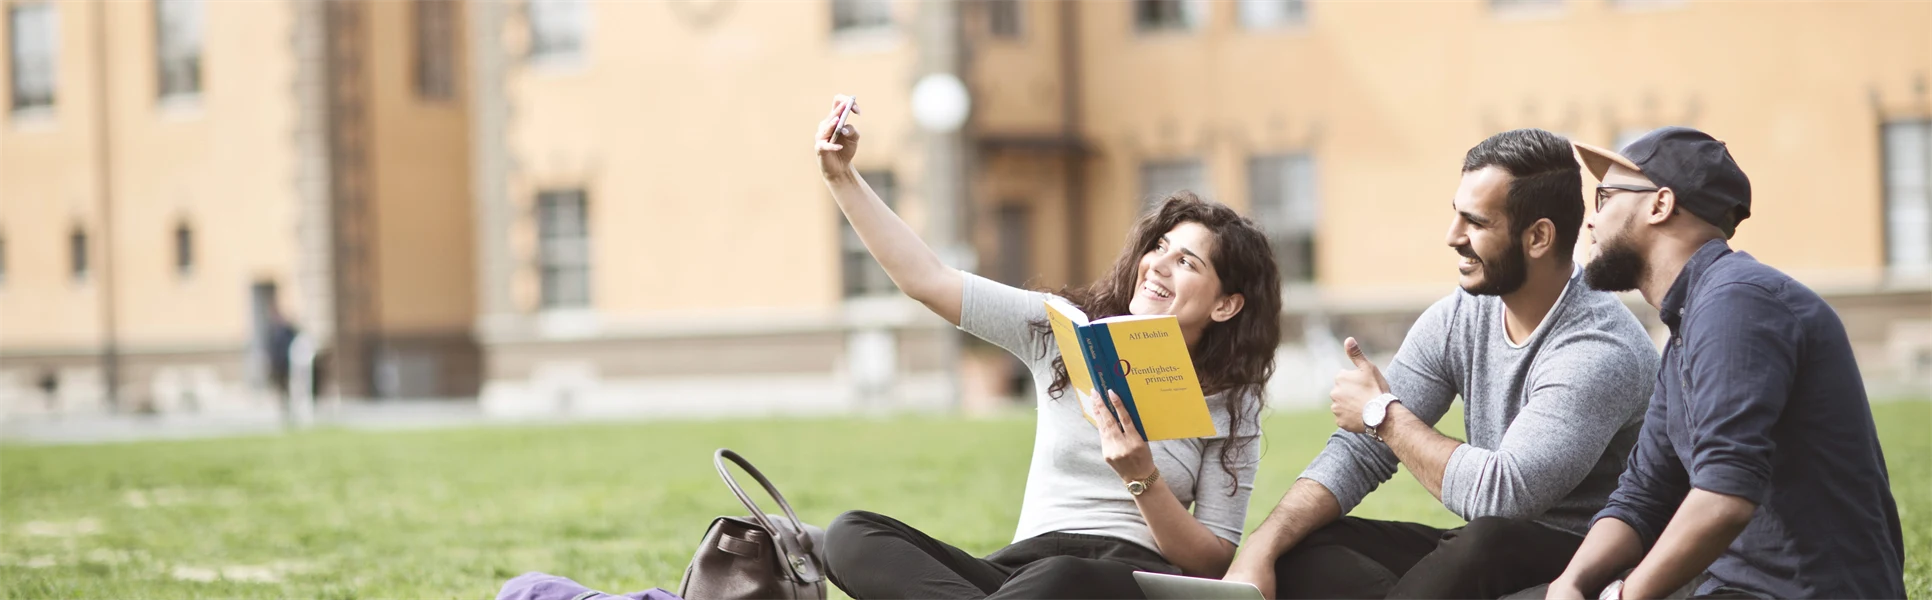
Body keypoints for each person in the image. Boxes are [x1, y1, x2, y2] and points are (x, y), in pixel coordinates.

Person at [810, 95, 1283, 600]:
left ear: (1226, 306)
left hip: (1122, 577)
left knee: (1063, 577)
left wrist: (1142, 476)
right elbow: (928, 279)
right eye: (1160, 247)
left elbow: (1211, 559)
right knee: (850, 535)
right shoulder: (1060, 330)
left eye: (1188, 263)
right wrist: (842, 177)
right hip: (1022, 572)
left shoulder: (1235, 401)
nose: (1159, 266)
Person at [1222, 129, 1659, 599]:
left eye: (1475, 222)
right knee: (1305, 545)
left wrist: (1383, 415)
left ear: (1538, 237)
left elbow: (1505, 495)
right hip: (1484, 556)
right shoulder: (1462, 315)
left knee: (1487, 539)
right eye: (1456, 215)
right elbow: (1359, 452)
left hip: (1587, 565)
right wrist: (1260, 549)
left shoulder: (1599, 346)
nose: (1452, 237)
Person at [1542, 127, 1904, 599]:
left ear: (1660, 205)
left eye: (1605, 197)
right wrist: (1570, 584)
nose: (1591, 221)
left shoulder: (1739, 303)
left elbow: (1724, 497)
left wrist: (1624, 596)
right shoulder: (1689, 326)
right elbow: (1643, 496)